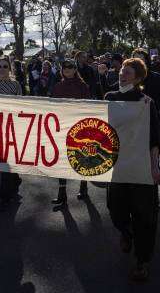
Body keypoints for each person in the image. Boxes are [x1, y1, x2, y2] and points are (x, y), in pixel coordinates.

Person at [105, 58, 160, 282]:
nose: (122, 75)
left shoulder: (146, 103)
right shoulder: (109, 98)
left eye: (127, 73)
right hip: (116, 165)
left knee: (144, 217)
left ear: (138, 78)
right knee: (115, 209)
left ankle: (142, 262)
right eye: (121, 71)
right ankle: (126, 232)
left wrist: (154, 167)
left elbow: (154, 139)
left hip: (140, 166)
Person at [50, 59, 90, 208]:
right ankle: (62, 194)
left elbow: (87, 107)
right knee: (62, 160)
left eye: (70, 66)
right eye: (64, 67)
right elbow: (52, 107)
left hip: (79, 128)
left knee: (81, 158)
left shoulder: (83, 86)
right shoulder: (57, 86)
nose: (67, 69)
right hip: (62, 126)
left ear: (75, 69)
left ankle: (83, 186)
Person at [0, 56, 23, 213]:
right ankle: (15, 180)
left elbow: (21, 106)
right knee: (3, 161)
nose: (1, 69)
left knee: (5, 163)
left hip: (11, 127)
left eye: (5, 66)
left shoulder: (16, 85)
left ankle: (4, 197)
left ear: (10, 68)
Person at [132, 49, 160, 115]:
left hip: (152, 116)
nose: (138, 62)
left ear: (146, 61)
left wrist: (154, 106)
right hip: (133, 117)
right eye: (136, 60)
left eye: (141, 59)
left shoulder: (156, 77)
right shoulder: (127, 78)